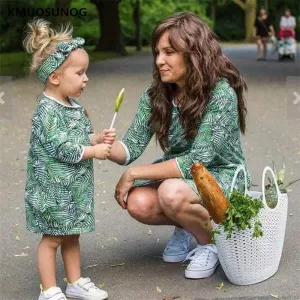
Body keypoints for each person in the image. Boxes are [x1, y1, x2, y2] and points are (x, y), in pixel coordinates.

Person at [107, 12, 251, 280]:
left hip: (221, 177)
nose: (159, 60)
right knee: (137, 202)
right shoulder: (157, 95)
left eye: (169, 52)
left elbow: (198, 159)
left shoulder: (220, 94)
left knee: (171, 193)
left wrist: (134, 174)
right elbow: (130, 147)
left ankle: (212, 244)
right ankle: (189, 225)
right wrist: (100, 145)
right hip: (180, 179)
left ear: (194, 53)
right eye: (157, 52)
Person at [23, 19, 116, 300]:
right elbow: (61, 147)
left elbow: (78, 139)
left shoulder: (74, 106)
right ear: (55, 77)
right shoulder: (46, 110)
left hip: (73, 189)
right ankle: (49, 290)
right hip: (52, 190)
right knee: (52, 238)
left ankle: (74, 282)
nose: (86, 78)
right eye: (80, 72)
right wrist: (93, 152)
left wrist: (96, 139)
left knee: (72, 234)